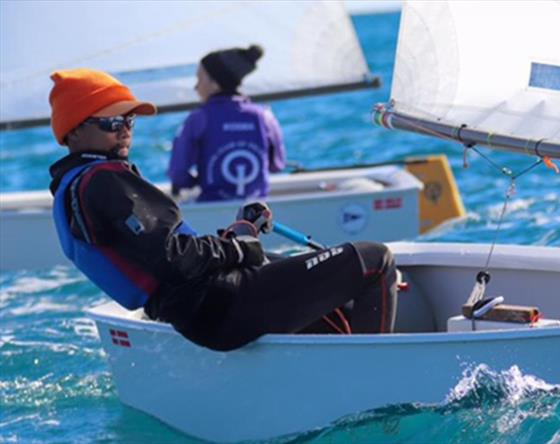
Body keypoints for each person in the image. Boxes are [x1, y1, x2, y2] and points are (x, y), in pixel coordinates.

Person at [48, 68, 397, 351]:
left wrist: (239, 233)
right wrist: (236, 246)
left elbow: (162, 258)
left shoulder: (75, 186)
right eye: (111, 122)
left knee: (305, 279)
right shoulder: (103, 181)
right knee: (376, 260)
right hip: (223, 302)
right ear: (74, 132)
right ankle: (376, 378)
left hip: (203, 312)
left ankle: (332, 371)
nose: (124, 130)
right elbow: (176, 258)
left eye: (129, 121)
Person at [168, 44, 286, 202]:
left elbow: (179, 175)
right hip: (257, 211)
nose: (196, 86)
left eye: (199, 78)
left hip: (212, 210)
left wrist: (199, 179)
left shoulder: (198, 118)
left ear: (215, 83)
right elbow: (277, 165)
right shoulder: (264, 116)